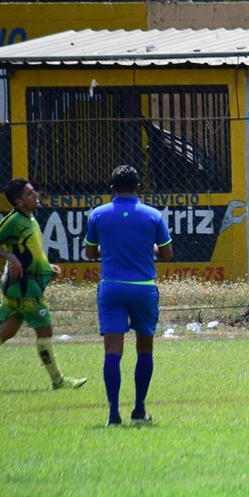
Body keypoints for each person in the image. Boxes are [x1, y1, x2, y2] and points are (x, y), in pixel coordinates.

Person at [83, 165, 172, 425]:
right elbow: (167, 255)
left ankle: (113, 414)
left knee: (112, 351)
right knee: (145, 349)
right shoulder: (152, 215)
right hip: (144, 288)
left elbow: (90, 254)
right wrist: (148, 248)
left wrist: (111, 248)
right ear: (139, 188)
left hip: (111, 287)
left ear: (111, 189)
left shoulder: (98, 215)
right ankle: (140, 409)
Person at [0, 179, 87, 391]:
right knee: (44, 331)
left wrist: (46, 268)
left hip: (20, 285)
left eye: (33, 190)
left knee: (7, 331)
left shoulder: (30, 218)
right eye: (29, 193)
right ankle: (58, 381)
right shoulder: (14, 221)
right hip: (25, 288)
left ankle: (58, 381)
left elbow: (29, 253)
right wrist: (11, 258)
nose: (35, 194)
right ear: (18, 201)